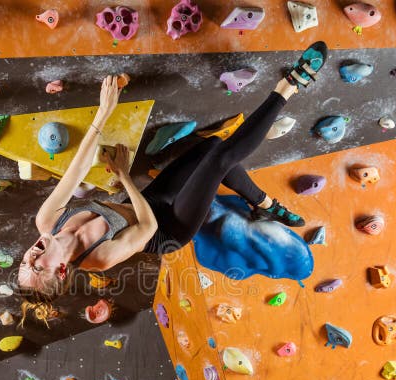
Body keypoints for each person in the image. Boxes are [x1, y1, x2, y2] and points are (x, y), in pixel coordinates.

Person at [18, 42, 328, 298]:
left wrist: (104, 112)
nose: (29, 256)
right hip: (168, 226)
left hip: (150, 201)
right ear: (60, 270)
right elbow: (148, 227)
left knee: (208, 149)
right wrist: (124, 176)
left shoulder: (47, 220)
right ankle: (288, 86)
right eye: (36, 267)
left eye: (23, 263)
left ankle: (264, 205)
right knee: (219, 159)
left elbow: (78, 169)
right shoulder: (99, 259)